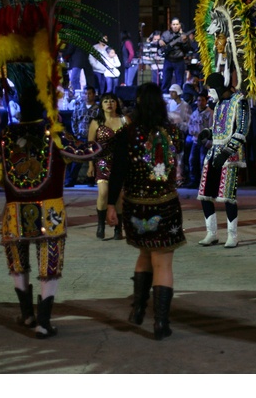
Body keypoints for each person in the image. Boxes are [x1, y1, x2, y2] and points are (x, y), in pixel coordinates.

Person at [0, 84, 100, 339]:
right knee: (48, 264)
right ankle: (43, 322)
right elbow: (88, 151)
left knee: (18, 264)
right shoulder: (55, 134)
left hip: (15, 211)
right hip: (49, 211)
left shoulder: (7, 133)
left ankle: (27, 314)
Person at [105, 82, 186, 340]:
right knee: (162, 261)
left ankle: (138, 309)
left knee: (144, 253)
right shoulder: (173, 132)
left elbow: (117, 172)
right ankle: (161, 322)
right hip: (166, 203)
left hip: (135, 204)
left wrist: (110, 205)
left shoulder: (126, 134)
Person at [197, 72, 250, 248]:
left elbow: (241, 131)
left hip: (230, 155)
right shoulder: (219, 103)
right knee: (205, 194)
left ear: (220, 88)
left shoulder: (240, 101)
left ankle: (232, 236)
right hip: (213, 153)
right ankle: (211, 233)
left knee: (228, 197)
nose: (209, 94)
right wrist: (207, 132)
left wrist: (226, 152)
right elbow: (219, 128)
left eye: (211, 89)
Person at [88, 92, 129, 239]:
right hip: (102, 161)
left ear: (117, 103)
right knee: (103, 193)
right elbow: (90, 145)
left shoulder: (124, 120)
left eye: (112, 100)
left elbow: (132, 141)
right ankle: (101, 225)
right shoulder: (96, 122)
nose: (109, 103)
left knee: (118, 195)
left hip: (121, 162)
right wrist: (90, 165)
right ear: (102, 105)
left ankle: (118, 228)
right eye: (106, 101)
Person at [67, 86, 99, 187]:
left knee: (94, 159)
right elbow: (74, 120)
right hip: (81, 136)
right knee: (77, 159)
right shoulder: (79, 107)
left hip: (94, 138)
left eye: (89, 93)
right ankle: (71, 180)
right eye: (85, 93)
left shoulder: (98, 109)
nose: (87, 96)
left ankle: (91, 180)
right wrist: (76, 133)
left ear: (94, 95)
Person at [184, 93, 212, 189]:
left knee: (203, 162)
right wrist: (193, 132)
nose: (200, 103)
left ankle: (204, 182)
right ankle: (194, 180)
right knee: (192, 160)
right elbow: (190, 125)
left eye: (202, 100)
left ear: (206, 101)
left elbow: (212, 127)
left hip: (204, 142)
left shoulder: (210, 113)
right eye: (199, 100)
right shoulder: (194, 113)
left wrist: (209, 140)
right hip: (195, 141)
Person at [166, 84, 190, 184]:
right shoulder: (168, 104)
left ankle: (179, 177)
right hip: (169, 133)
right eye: (170, 91)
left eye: (173, 92)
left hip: (179, 134)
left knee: (180, 155)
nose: (171, 94)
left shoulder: (185, 106)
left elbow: (188, 122)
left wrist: (179, 124)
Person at [159, 17, 190, 93]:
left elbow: (188, 49)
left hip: (179, 61)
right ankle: (164, 95)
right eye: (173, 24)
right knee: (165, 80)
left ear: (180, 25)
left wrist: (185, 42)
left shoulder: (184, 35)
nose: (175, 26)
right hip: (168, 60)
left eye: (177, 24)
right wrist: (160, 42)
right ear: (170, 25)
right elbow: (160, 46)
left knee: (180, 81)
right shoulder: (166, 34)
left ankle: (178, 96)